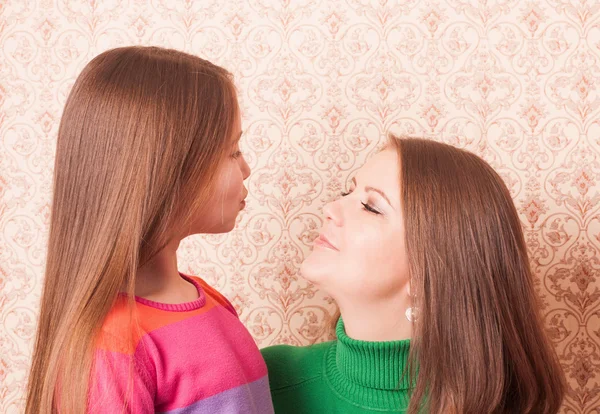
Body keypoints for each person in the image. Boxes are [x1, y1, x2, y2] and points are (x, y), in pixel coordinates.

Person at [25, 46, 274, 414]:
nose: (247, 168)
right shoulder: (111, 345)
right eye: (233, 150)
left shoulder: (211, 301)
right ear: (170, 168)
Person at [262, 136, 565, 413]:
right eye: (348, 191)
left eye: (371, 207)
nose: (330, 208)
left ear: (426, 274)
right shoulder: (265, 380)